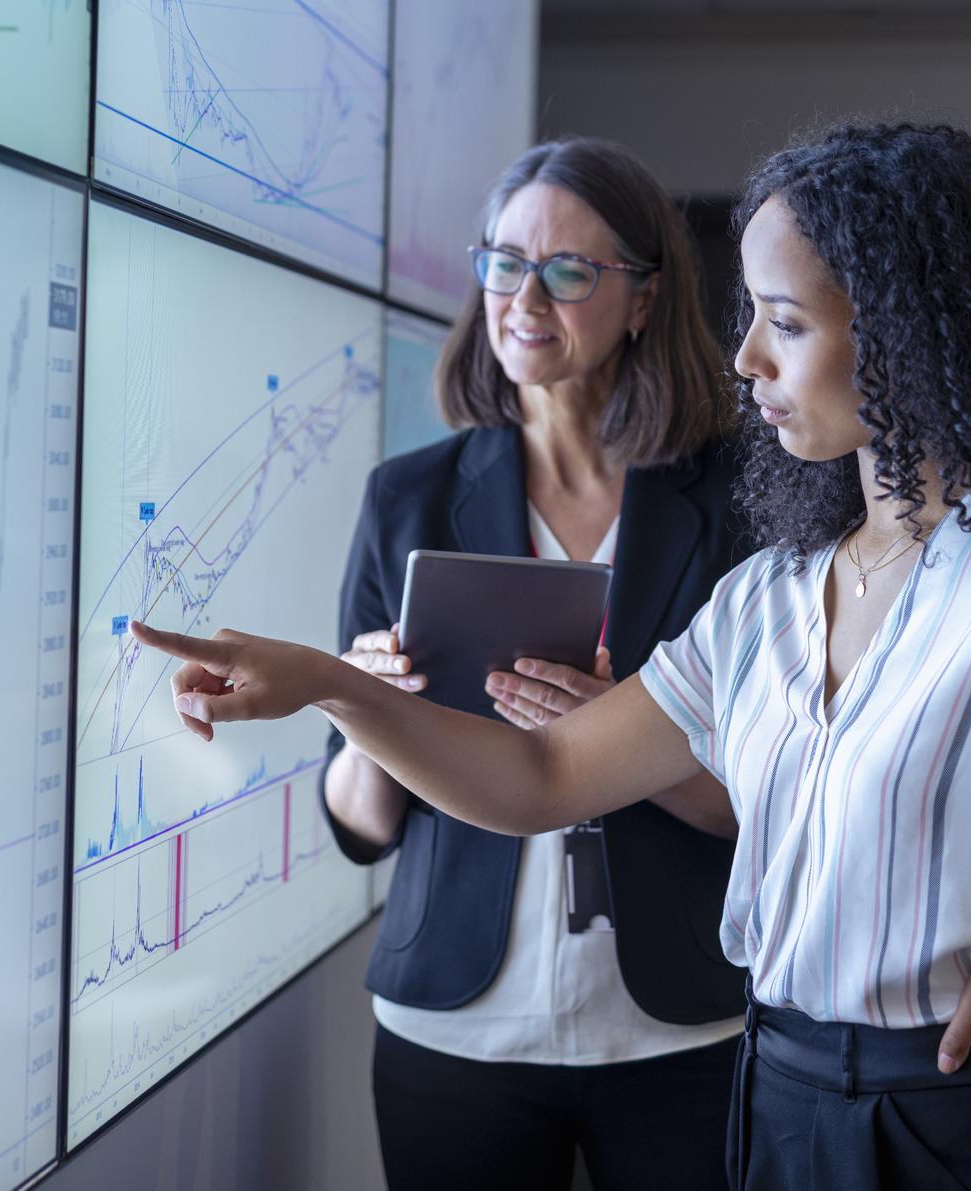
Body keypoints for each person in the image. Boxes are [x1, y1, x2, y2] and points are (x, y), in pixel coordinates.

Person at [129, 122, 971, 1189]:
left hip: (962, 1111)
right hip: (774, 1098)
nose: (747, 362)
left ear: (912, 337)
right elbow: (542, 780)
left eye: (782, 323)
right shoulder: (771, 596)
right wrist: (331, 683)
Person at [324, 137, 744, 1190]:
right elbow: (361, 825)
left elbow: (773, 799)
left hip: (679, 1026)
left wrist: (623, 736)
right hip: (455, 1023)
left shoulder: (736, 505)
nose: (524, 297)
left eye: (568, 271)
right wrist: (367, 710)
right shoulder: (405, 499)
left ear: (643, 300)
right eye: (505, 263)